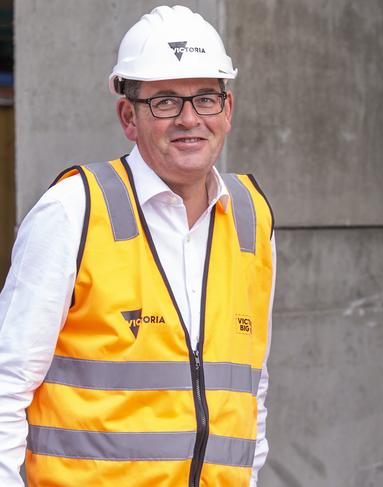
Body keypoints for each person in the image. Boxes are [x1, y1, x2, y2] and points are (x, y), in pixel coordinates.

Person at [0, 5, 275, 486]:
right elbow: (6, 384)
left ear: (227, 110)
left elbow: (253, 388)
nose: (190, 119)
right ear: (129, 116)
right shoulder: (74, 211)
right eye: (165, 101)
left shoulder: (252, 220)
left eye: (206, 98)